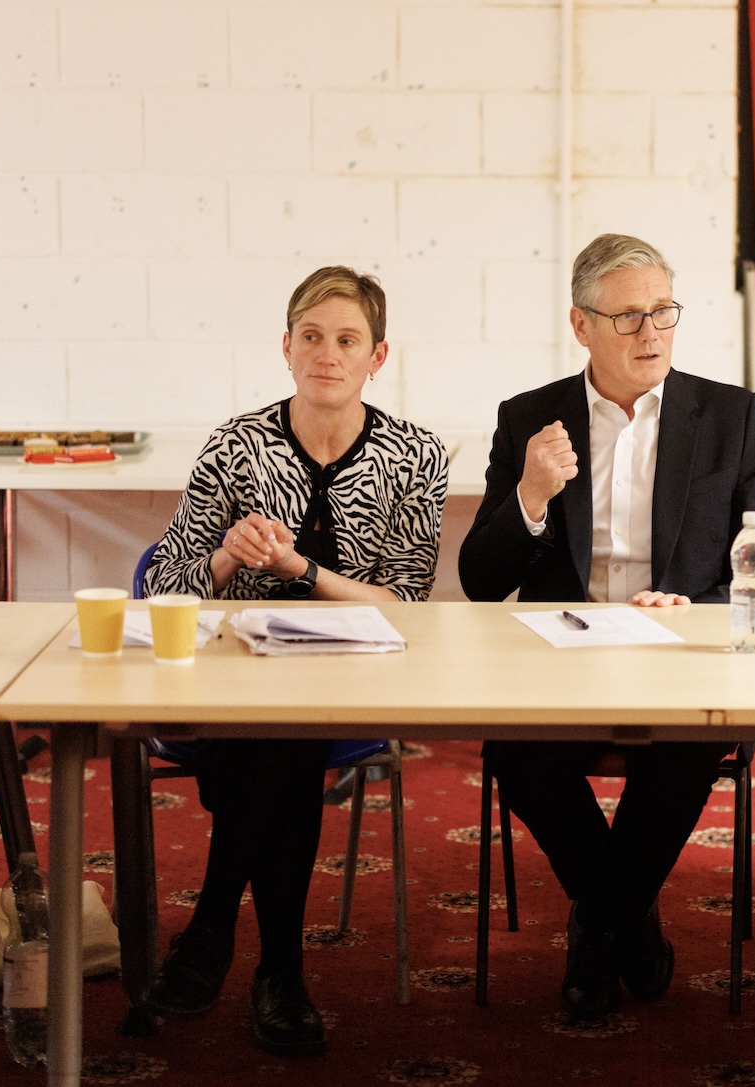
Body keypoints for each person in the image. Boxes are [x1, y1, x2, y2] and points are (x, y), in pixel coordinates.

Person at [458, 233, 755, 1018]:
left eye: (663, 312)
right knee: (514, 748)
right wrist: (530, 497)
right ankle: (628, 919)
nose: (652, 333)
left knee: (690, 744)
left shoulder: (730, 416)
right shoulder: (529, 419)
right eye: (628, 317)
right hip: (560, 661)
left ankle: (599, 930)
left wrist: (699, 607)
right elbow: (479, 581)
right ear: (581, 325)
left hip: (680, 658)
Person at [139, 266, 448, 1055]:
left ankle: (214, 928)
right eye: (311, 336)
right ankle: (279, 973)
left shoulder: (415, 455)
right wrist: (224, 556)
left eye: (347, 339)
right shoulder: (236, 445)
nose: (327, 354)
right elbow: (164, 586)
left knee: (281, 739)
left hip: (358, 675)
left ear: (378, 356)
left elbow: (407, 603)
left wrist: (301, 572)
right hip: (234, 676)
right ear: (286, 346)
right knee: (278, 741)